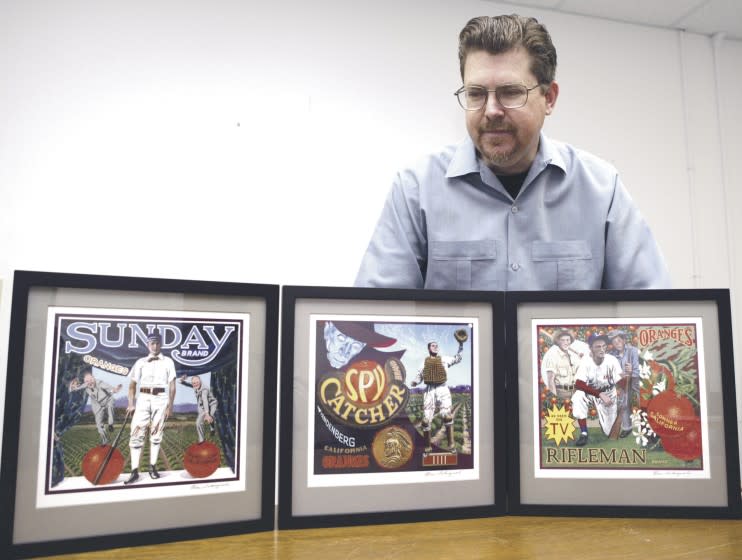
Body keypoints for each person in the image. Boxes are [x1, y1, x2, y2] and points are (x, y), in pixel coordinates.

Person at [355, 14, 671, 291]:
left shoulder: (602, 189)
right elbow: (378, 313)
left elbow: (652, 313)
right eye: (477, 94)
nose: (492, 110)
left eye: (510, 92)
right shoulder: (416, 189)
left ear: (549, 98)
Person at [124, 333, 177, 485]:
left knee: (156, 433)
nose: (154, 346)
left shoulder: (168, 362)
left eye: (157, 343)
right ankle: (134, 471)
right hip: (143, 398)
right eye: (152, 343)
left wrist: (170, 406)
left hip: (161, 399)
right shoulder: (140, 362)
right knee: (136, 432)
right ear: (148, 345)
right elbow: (132, 385)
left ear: (161, 345)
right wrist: (130, 404)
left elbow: (172, 386)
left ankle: (152, 467)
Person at [571, 334, 625, 446]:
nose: (601, 349)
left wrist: (620, 390)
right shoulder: (586, 361)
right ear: (590, 348)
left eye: (603, 346)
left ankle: (606, 424)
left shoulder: (612, 360)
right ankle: (584, 433)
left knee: (609, 432)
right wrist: (599, 394)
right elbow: (579, 384)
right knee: (578, 396)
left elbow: (620, 381)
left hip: (609, 393)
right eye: (597, 346)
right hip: (591, 392)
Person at [410, 340, 463, 452]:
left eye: (436, 346)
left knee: (447, 416)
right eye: (433, 346)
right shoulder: (423, 363)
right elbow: (419, 376)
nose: (435, 347)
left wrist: (461, 345)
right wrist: (415, 382)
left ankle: (451, 445)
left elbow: (457, 358)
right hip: (429, 390)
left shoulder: (445, 359)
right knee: (425, 420)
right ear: (429, 348)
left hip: (442, 388)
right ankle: (427, 447)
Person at [69, 368, 122, 445]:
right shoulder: (86, 385)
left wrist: (115, 389)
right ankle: (105, 440)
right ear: (85, 382)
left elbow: (110, 388)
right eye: (87, 381)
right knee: (98, 424)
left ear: (93, 378)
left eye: (91, 379)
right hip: (97, 405)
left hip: (107, 399)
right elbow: (75, 389)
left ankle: (110, 424)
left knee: (110, 407)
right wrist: (73, 386)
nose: (89, 382)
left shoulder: (100, 383)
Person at [608, 329, 641, 438]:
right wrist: (621, 377)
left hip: (636, 381)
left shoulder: (633, 351)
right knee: (624, 403)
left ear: (623, 340)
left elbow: (636, 370)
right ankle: (627, 427)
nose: (617, 343)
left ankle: (647, 426)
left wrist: (631, 372)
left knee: (641, 401)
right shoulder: (612, 355)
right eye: (614, 342)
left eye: (619, 340)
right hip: (622, 382)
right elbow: (612, 372)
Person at [539, 330, 588, 400]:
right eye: (562, 340)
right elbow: (550, 381)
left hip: (575, 392)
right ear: (558, 341)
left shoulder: (573, 356)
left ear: (570, 341)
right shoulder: (553, 357)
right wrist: (556, 397)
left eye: (568, 340)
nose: (565, 343)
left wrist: (584, 358)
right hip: (561, 393)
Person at [178, 375, 218, 443]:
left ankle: (212, 428)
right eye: (193, 383)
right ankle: (201, 440)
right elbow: (182, 383)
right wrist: (182, 380)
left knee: (210, 415)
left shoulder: (204, 390)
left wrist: (207, 414)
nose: (195, 384)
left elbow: (205, 401)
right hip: (202, 406)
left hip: (211, 404)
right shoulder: (195, 386)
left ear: (200, 381)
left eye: (197, 382)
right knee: (198, 422)